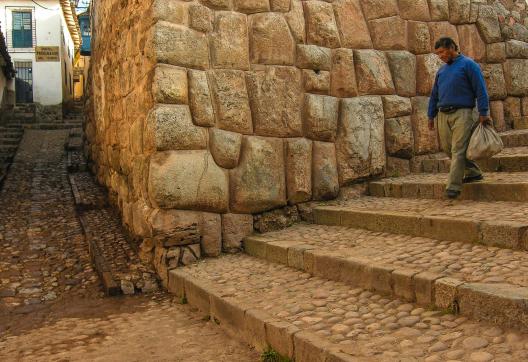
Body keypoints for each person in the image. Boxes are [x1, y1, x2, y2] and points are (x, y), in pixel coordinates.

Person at [428, 37, 491, 199]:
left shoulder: (469, 65)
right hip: (443, 114)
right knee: (448, 149)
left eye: (442, 52)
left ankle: (453, 187)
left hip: (463, 113)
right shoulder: (441, 71)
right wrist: (430, 115)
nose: (440, 56)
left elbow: (481, 89)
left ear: (451, 47)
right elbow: (434, 94)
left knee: (458, 149)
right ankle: (474, 172)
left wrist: (484, 112)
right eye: (437, 54)